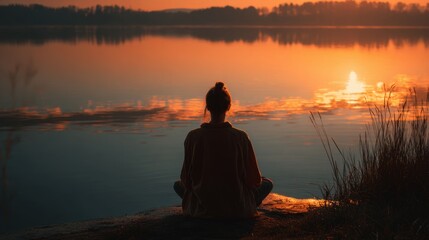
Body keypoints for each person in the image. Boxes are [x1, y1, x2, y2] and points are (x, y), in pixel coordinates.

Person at [174, 82, 273, 218]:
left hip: (201, 209)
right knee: (267, 183)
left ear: (207, 107)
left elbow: (186, 181)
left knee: (177, 185)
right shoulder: (240, 137)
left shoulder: (193, 137)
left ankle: (204, 206)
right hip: (237, 208)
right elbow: (255, 181)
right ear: (229, 107)